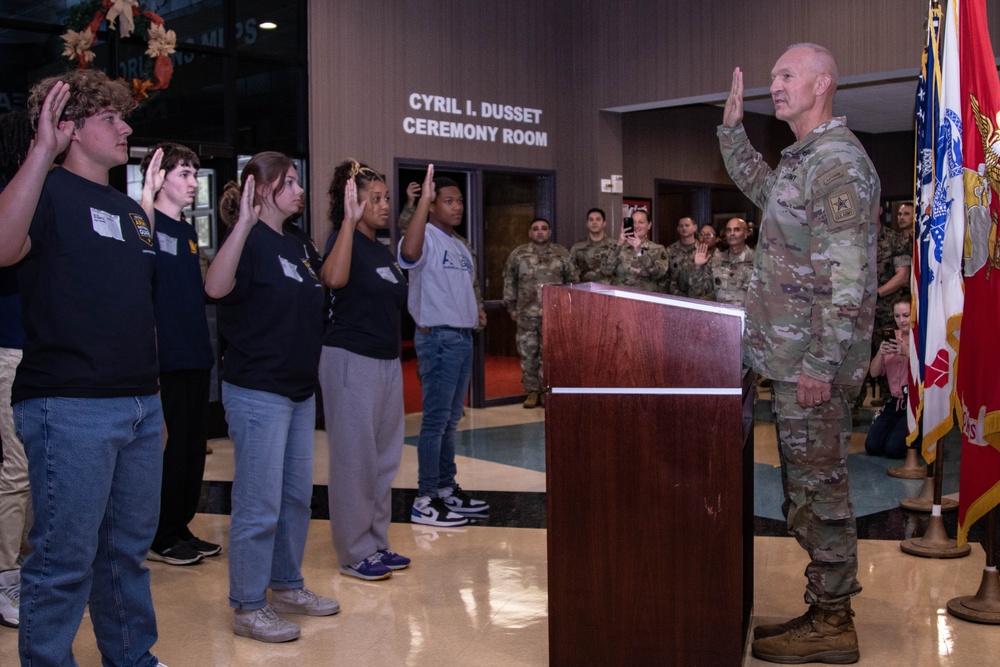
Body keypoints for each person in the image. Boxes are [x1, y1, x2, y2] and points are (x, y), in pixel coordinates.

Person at [0, 71, 168, 666]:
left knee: (126, 553)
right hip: (68, 405)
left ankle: (131, 657)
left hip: (139, 407)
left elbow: (138, 310)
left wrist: (154, 402)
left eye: (124, 118)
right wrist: (41, 151)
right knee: (62, 560)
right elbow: (0, 245)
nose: (126, 128)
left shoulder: (131, 211)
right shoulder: (41, 192)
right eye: (110, 119)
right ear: (69, 128)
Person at [719, 43, 879, 664]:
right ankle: (825, 609)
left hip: (813, 362)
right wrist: (732, 133)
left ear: (823, 85)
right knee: (807, 491)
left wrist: (817, 365)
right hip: (791, 359)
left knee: (822, 490)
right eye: (772, 74)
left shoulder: (837, 163)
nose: (775, 84)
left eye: (787, 75)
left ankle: (834, 622)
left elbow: (848, 280)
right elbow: (764, 189)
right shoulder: (803, 159)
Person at [206, 152, 338, 643]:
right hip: (258, 391)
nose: (299, 189)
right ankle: (247, 605)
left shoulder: (298, 242)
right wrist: (242, 225)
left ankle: (285, 585)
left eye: (299, 180)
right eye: (289, 182)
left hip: (299, 390)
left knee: (295, 499)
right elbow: (215, 288)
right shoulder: (250, 240)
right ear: (260, 189)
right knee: (258, 504)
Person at [319, 160, 410, 581]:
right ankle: (354, 552)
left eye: (387, 197)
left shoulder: (381, 248)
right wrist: (348, 227)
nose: (385, 204)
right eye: (375, 198)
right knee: (355, 460)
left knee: (383, 458)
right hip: (350, 358)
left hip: (387, 361)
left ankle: (376, 541)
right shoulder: (344, 240)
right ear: (353, 202)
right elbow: (333, 280)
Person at [141, 143, 219, 567]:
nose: (193, 184)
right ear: (159, 175)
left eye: (194, 175)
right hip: (165, 359)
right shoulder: (145, 225)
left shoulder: (189, 234)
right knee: (166, 452)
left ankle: (181, 526)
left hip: (194, 355)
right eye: (184, 175)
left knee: (191, 449)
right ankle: (159, 533)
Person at [398, 166, 490, 527]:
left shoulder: (458, 244)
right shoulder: (425, 237)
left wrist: (475, 310)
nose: (457, 207)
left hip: (462, 337)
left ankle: (446, 489)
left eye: (459, 201)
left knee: (451, 420)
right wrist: (420, 203)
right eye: (448, 201)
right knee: (436, 420)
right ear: (432, 207)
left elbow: (463, 288)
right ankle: (425, 498)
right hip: (438, 337)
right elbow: (407, 252)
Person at [0, 108, 32, 631]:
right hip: (8, 349)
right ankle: (6, 575)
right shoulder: (12, 198)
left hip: (43, 348)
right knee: (19, 469)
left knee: (34, 470)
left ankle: (21, 565)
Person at [503, 217, 579, 408]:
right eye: (535, 229)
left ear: (550, 232)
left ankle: (546, 391)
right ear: (530, 233)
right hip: (526, 313)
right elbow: (509, 280)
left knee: (549, 355)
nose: (540, 232)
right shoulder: (519, 254)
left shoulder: (561, 254)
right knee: (528, 354)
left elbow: (573, 281)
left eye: (544, 228)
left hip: (553, 314)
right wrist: (511, 307)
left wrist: (568, 308)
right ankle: (531, 391)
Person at [865, 297, 910, 459]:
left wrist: (907, 352)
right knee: (872, 446)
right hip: (894, 401)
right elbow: (874, 373)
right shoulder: (891, 337)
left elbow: (929, 368)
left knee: (893, 450)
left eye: (906, 315)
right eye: (897, 316)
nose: (902, 320)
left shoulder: (922, 337)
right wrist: (880, 353)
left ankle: (917, 438)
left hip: (914, 402)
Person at [689, 217, 756, 307]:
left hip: (747, 318)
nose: (732, 233)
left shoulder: (757, 260)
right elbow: (700, 290)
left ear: (745, 234)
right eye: (728, 230)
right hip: (722, 317)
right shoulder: (717, 259)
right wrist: (698, 266)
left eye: (736, 230)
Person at [599, 207, 669, 292]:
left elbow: (659, 274)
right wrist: (619, 242)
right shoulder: (618, 247)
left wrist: (640, 252)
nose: (636, 225)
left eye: (641, 222)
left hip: (646, 299)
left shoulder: (658, 249)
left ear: (649, 225)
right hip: (621, 298)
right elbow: (605, 270)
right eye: (633, 222)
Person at [569, 207, 615, 284]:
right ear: (587, 224)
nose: (594, 222)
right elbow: (571, 274)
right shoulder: (577, 248)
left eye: (598, 219)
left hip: (610, 291)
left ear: (604, 223)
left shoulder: (614, 246)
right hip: (585, 291)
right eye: (591, 220)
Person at [665, 216, 699, 296]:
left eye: (687, 225)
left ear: (695, 227)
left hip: (697, 297)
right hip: (675, 296)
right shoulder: (670, 250)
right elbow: (666, 276)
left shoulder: (702, 249)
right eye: (681, 226)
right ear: (678, 229)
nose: (684, 228)